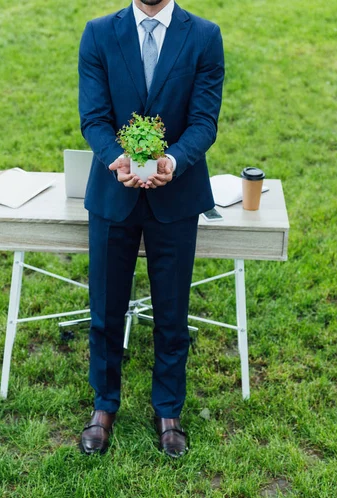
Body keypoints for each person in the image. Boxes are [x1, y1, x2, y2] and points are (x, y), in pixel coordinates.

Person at [77, 0, 224, 457]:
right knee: (104, 308)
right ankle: (104, 406)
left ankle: (168, 410)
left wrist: (173, 162)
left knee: (173, 312)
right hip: (112, 194)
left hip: (176, 198)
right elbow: (94, 118)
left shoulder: (204, 35)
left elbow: (204, 120)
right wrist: (115, 158)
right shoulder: (98, 33)